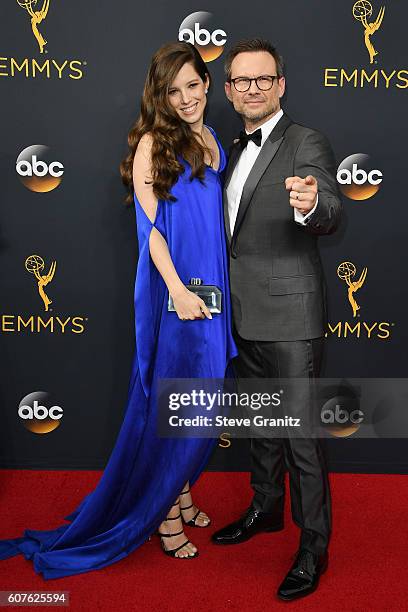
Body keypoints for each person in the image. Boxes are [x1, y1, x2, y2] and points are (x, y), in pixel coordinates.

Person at [0, 41, 237, 577]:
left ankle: (178, 496)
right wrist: (176, 288)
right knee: (181, 401)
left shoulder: (211, 136)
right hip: (174, 289)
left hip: (212, 287)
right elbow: (151, 229)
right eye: (173, 91)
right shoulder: (154, 143)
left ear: (207, 81)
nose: (186, 98)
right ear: (160, 95)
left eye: (194, 85)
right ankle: (165, 519)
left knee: (200, 398)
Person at [211, 39, 342, 601]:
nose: (253, 89)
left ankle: (313, 547)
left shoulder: (304, 141)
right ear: (229, 89)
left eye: (264, 80)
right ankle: (265, 509)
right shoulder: (230, 148)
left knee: (302, 439)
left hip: (291, 316)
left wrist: (311, 202)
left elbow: (330, 208)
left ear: (281, 85)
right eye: (242, 81)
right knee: (260, 428)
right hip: (242, 315)